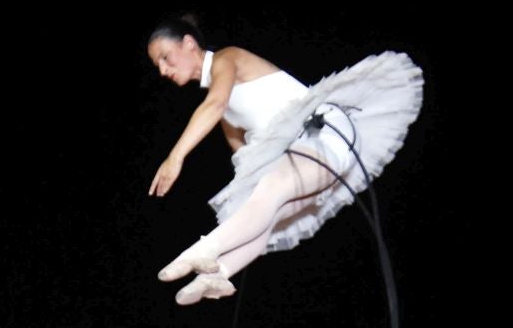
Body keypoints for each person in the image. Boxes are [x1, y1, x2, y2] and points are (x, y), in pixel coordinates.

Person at [145, 17, 423, 304]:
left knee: (271, 190)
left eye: (165, 58)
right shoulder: (227, 114)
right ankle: (219, 274)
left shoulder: (228, 58)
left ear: (189, 43)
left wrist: (174, 157)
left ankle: (201, 251)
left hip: (325, 133)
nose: (163, 70)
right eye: (158, 66)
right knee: (267, 210)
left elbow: (214, 105)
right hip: (305, 155)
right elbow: (244, 159)